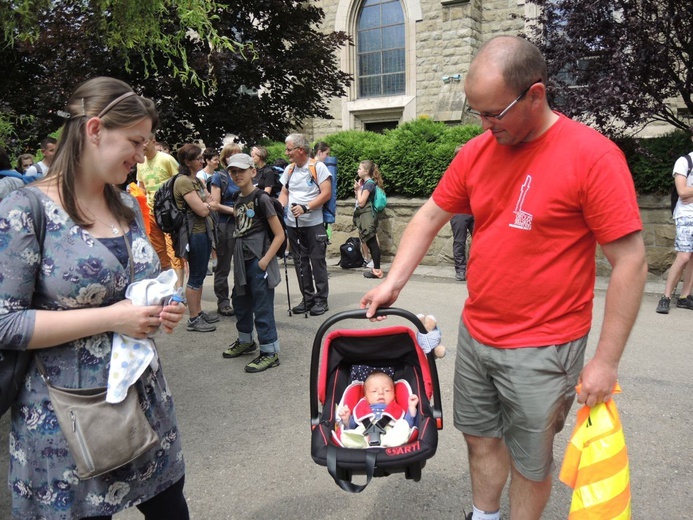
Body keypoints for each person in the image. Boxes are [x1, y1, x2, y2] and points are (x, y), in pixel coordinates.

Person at [360, 36, 647, 520]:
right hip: (478, 334)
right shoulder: (477, 151)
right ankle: (485, 515)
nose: (484, 125)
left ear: (536, 94)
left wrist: (605, 361)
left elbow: (632, 262)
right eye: (477, 112)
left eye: (494, 113)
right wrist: (393, 282)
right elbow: (430, 215)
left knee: (532, 464)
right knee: (480, 438)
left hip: (545, 344)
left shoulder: (592, 157)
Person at [0, 76, 189, 519]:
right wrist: (113, 317)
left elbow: (137, 285)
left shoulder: (126, 205)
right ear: (94, 129)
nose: (142, 156)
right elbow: (5, 323)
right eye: (136, 142)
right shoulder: (23, 210)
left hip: (146, 404)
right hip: (66, 422)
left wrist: (160, 306)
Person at [220, 153, 284, 373]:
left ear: (253, 172)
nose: (237, 174)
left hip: (258, 260)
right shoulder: (238, 199)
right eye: (232, 171)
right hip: (242, 260)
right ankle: (246, 340)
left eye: (241, 170)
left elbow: (279, 235)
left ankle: (269, 352)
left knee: (262, 306)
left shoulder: (262, 198)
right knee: (240, 302)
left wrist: (264, 262)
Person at [278, 133, 332, 316]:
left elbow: (326, 194)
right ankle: (307, 299)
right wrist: (280, 207)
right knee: (301, 262)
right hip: (293, 224)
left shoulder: (318, 167)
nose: (286, 153)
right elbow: (284, 192)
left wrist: (306, 207)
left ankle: (321, 300)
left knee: (317, 262)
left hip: (313, 223)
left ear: (300, 150)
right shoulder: (290, 169)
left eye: (289, 149)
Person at [174, 143, 219, 333]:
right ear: (187, 161)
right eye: (197, 158)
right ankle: (193, 318)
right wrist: (206, 205)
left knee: (199, 274)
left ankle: (198, 312)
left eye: (201, 158)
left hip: (203, 231)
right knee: (196, 276)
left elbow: (212, 203)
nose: (201, 161)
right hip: (194, 233)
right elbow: (203, 208)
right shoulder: (183, 181)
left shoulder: (197, 181)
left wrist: (206, 205)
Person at [137, 135, 186, 289]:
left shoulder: (166, 159)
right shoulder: (140, 162)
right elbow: (142, 187)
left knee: (174, 252)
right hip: (151, 213)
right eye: (138, 142)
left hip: (169, 213)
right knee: (159, 252)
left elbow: (180, 181)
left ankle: (178, 290)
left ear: (153, 141)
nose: (141, 145)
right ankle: (167, 288)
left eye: (144, 141)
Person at [656, 143, 693, 313]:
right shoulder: (685, 161)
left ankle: (685, 297)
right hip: (686, 214)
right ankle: (666, 297)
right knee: (684, 256)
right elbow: (682, 191)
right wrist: (687, 193)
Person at [209, 143, 242, 316]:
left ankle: (239, 299)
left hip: (244, 224)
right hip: (225, 224)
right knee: (223, 265)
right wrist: (235, 211)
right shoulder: (219, 177)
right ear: (225, 158)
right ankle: (223, 301)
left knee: (241, 265)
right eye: (231, 154)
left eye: (238, 154)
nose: (235, 157)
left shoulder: (243, 175)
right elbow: (214, 204)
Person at [338, 371, 419, 429]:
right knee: (348, 436)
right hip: (363, 438)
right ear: (365, 397)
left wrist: (411, 408)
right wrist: (346, 420)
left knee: (403, 428)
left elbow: (407, 425)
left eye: (387, 390)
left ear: (394, 395)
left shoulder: (396, 410)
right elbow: (351, 427)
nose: (381, 393)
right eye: (374, 391)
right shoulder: (361, 410)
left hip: (392, 437)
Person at [353, 160, 384, 279]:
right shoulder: (366, 183)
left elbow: (361, 202)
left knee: (372, 243)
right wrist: (357, 189)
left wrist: (358, 190)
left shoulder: (369, 184)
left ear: (366, 171)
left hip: (368, 216)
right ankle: (376, 269)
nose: (358, 171)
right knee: (371, 243)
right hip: (366, 216)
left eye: (360, 169)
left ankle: (377, 270)